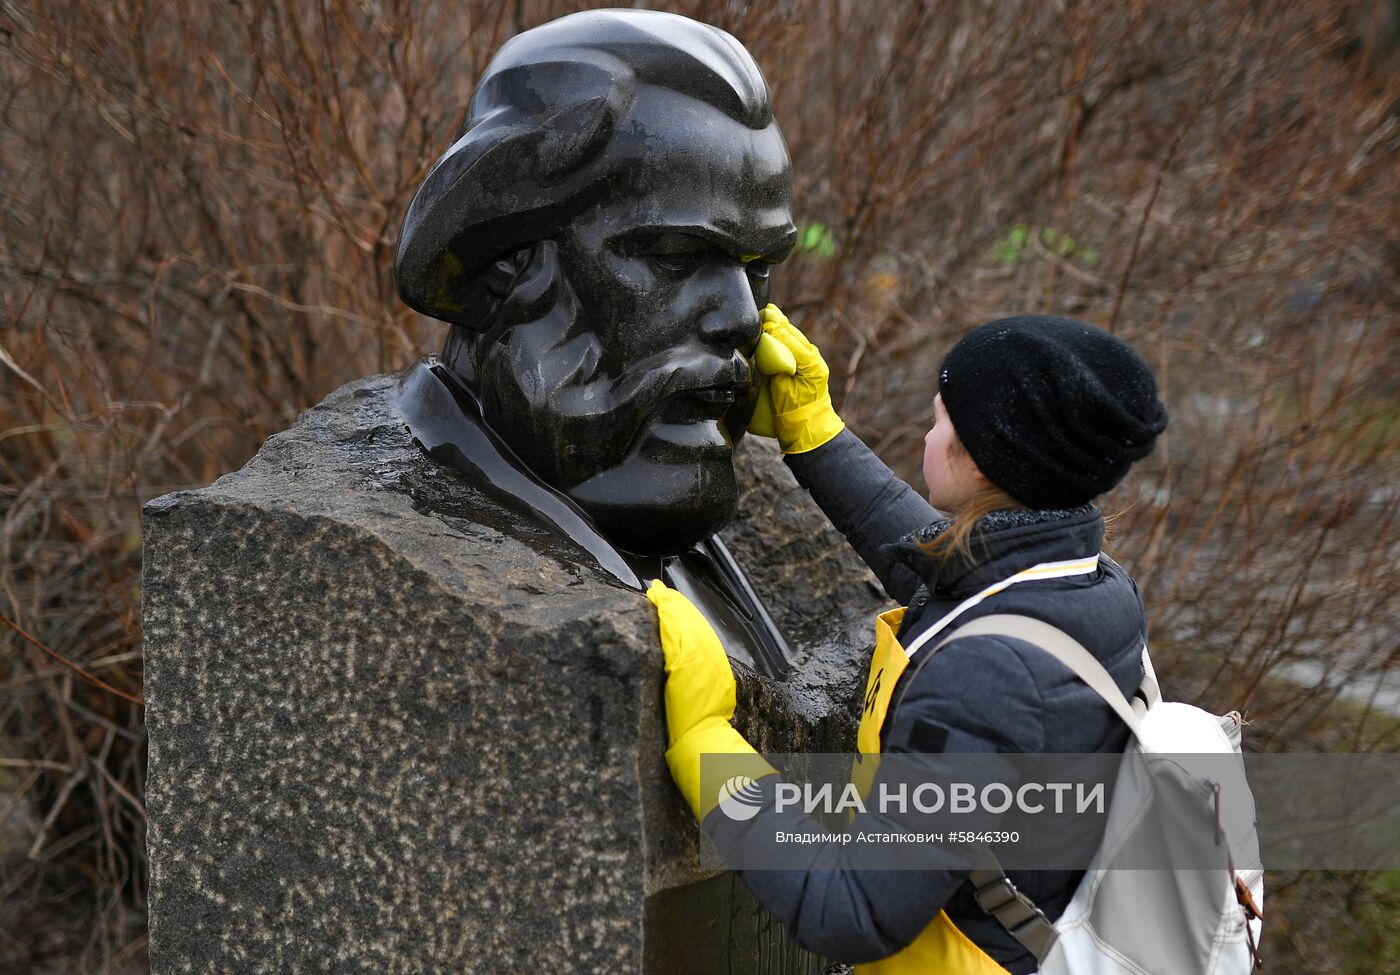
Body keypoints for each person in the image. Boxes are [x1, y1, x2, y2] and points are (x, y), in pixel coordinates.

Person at [647, 309, 1169, 974]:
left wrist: (707, 743)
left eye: (939, 420)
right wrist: (812, 431)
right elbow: (947, 570)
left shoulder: (989, 678)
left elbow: (855, 910)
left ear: (981, 461)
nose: (928, 434)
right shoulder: (1090, 583)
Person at [394, 9, 795, 555]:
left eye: (759, 267)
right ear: (506, 264)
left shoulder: (680, 537)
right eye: (676, 257)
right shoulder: (402, 553)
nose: (744, 318)